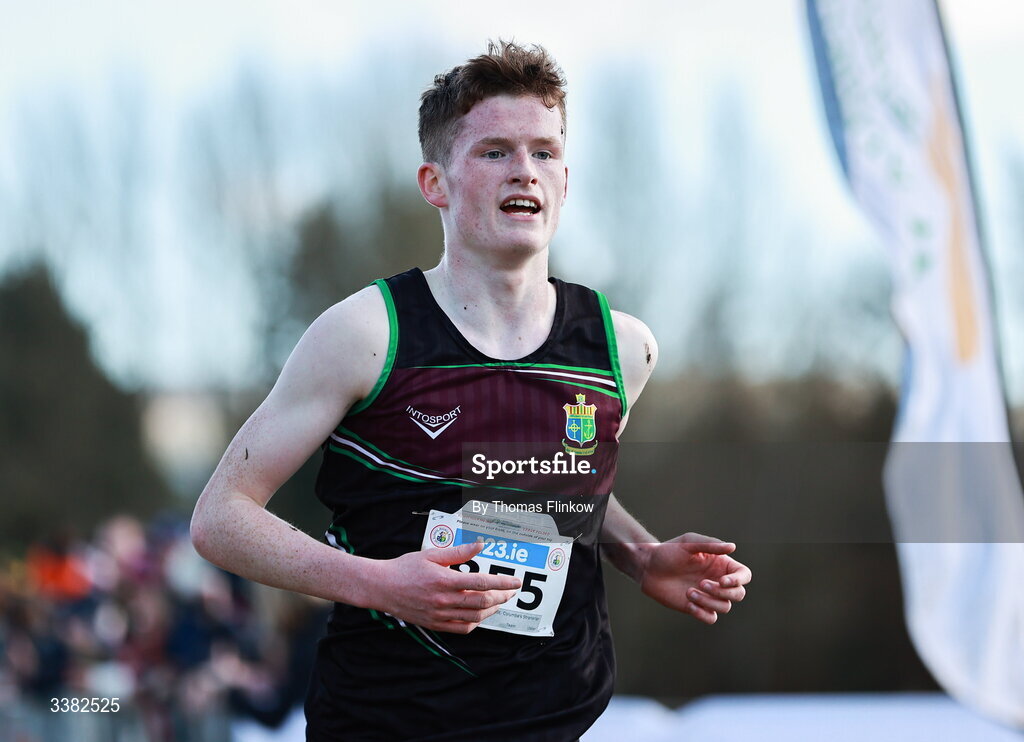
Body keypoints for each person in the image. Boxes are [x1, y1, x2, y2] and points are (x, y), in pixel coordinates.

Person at [191, 40, 752, 741]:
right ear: (436, 182)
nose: (525, 170)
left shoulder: (622, 349)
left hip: (556, 721)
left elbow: (560, 486)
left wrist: (640, 556)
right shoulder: (365, 333)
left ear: (566, 180)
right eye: (494, 152)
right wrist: (379, 583)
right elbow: (219, 519)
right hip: (386, 724)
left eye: (544, 152)